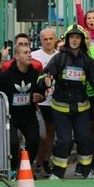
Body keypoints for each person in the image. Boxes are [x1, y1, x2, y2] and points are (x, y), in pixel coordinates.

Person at [39, 24, 94, 179]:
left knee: (84, 138)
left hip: (81, 106)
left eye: (77, 37)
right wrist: (46, 80)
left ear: (82, 40)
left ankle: (86, 171)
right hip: (60, 107)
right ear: (67, 39)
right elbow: (44, 74)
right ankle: (57, 173)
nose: (74, 40)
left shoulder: (86, 59)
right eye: (72, 37)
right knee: (64, 140)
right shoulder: (58, 58)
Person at [0, 44, 45, 176]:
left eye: (29, 52)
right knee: (13, 142)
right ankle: (12, 169)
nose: (29, 54)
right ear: (17, 56)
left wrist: (40, 96)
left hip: (28, 116)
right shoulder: (5, 76)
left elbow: (41, 92)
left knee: (34, 141)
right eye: (25, 52)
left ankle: (25, 168)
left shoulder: (35, 74)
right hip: (10, 116)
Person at [31, 28, 59, 177]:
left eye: (50, 39)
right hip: (38, 102)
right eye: (45, 39)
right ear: (40, 40)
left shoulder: (60, 56)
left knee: (51, 133)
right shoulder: (34, 56)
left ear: (55, 39)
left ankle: (46, 162)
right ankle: (36, 162)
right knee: (39, 135)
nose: (48, 42)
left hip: (55, 101)